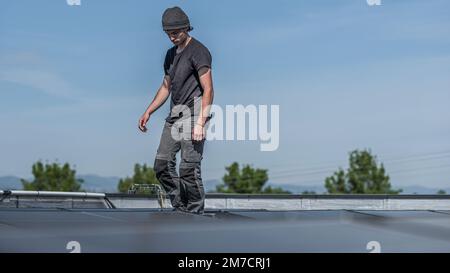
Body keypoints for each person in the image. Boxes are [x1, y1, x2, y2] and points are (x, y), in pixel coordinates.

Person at [138, 6, 214, 214]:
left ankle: (195, 211)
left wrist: (200, 123)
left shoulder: (199, 51)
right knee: (162, 166)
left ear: (186, 28)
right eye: (168, 34)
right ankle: (181, 207)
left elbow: (208, 89)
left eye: (175, 33)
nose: (171, 38)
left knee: (188, 169)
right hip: (174, 116)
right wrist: (149, 111)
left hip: (194, 113)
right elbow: (166, 87)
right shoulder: (170, 55)